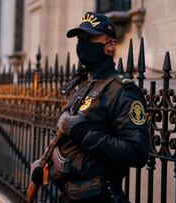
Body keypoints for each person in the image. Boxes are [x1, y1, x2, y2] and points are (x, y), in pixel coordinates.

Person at [47, 12, 150, 203]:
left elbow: (137, 151)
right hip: (69, 195)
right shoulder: (85, 84)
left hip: (99, 196)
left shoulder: (123, 89)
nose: (83, 44)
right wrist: (45, 163)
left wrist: (82, 132)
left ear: (110, 44)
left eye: (90, 38)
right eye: (81, 39)